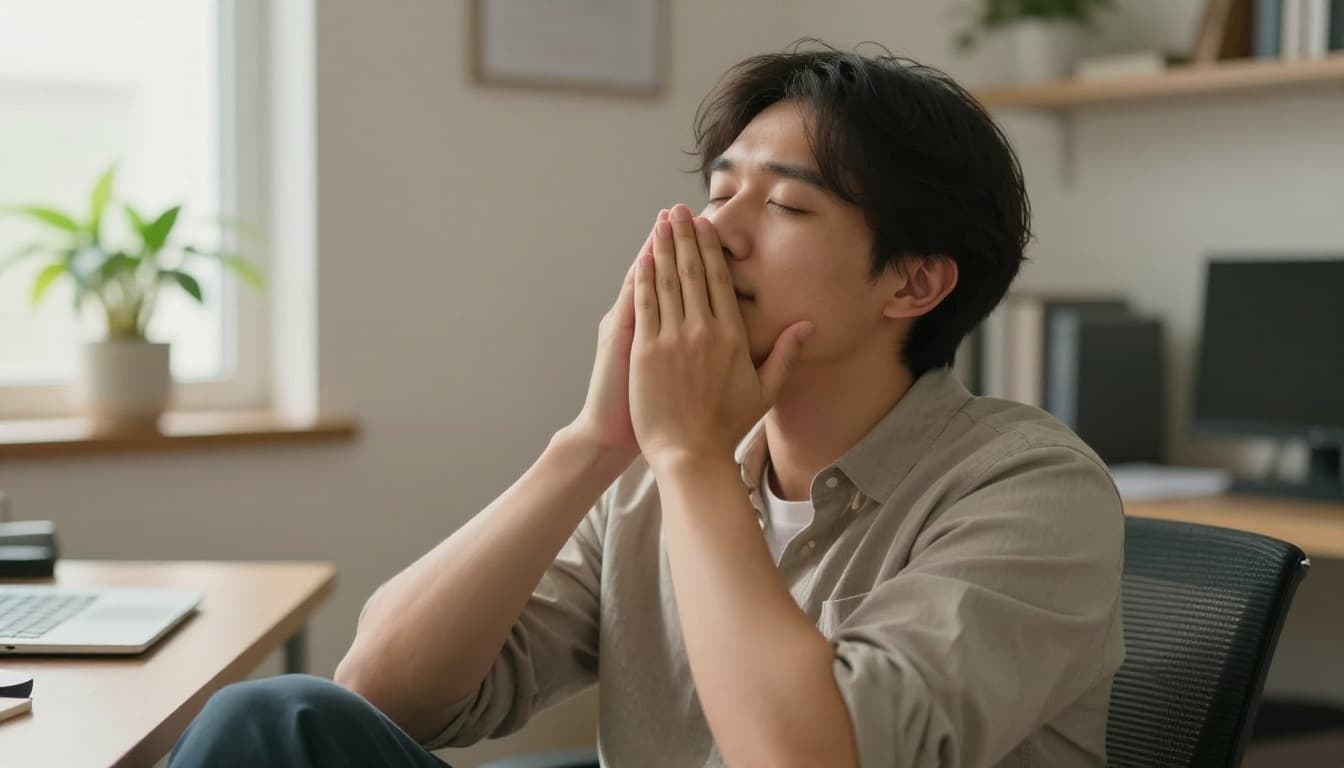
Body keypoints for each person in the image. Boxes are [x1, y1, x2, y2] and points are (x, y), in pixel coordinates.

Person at [168, 40, 1124, 768]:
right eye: (717, 194)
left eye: (785, 208)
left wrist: (693, 460)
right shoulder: (660, 471)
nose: (715, 234)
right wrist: (596, 440)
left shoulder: (1031, 485)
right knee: (276, 723)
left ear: (914, 284)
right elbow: (386, 692)